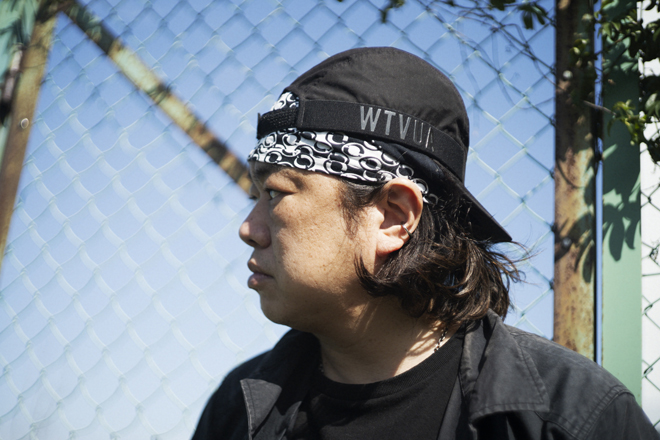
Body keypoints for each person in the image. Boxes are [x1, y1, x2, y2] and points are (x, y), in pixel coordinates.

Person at [192, 47, 659, 440]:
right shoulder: (238, 410)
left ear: (393, 217)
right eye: (255, 196)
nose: (248, 228)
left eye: (276, 194)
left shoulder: (571, 418)